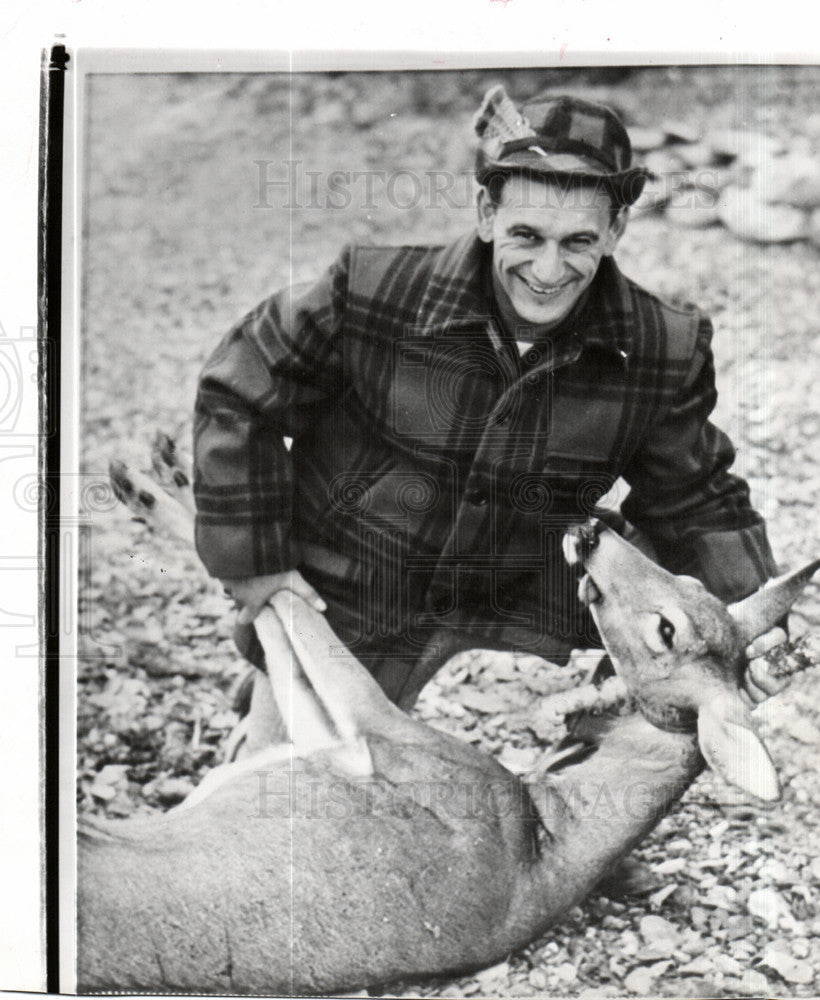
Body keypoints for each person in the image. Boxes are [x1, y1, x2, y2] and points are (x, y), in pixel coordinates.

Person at [193, 87, 786, 720]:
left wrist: (746, 626)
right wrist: (255, 562)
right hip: (364, 571)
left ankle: (606, 730)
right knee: (317, 752)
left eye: (578, 241)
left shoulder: (663, 345)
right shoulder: (372, 289)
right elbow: (238, 390)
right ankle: (278, 698)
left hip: (523, 569)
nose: (549, 270)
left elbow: (696, 494)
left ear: (615, 229)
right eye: (526, 234)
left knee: (687, 623)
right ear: (485, 212)